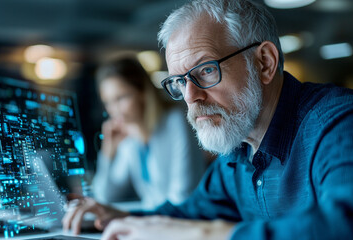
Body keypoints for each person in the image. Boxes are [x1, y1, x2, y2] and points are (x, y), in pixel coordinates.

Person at [62, 0, 353, 239]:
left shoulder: (338, 124)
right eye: (179, 81)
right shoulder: (236, 150)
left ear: (264, 62)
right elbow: (189, 214)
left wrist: (208, 234)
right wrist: (121, 216)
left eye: (206, 71)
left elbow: (342, 225)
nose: (191, 97)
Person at [91, 57, 206, 210]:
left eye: (121, 98)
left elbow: (182, 195)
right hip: (155, 223)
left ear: (143, 93)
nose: (114, 110)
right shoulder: (129, 139)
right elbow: (105, 195)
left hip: (185, 221)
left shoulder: (175, 121)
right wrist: (107, 152)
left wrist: (142, 219)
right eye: (108, 102)